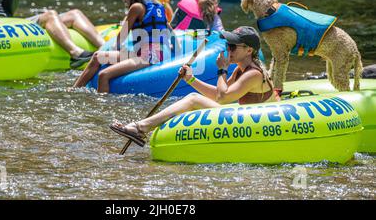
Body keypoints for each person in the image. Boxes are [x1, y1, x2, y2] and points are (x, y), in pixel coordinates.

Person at [110, 26, 280, 147]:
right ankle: (141, 127)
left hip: (258, 124)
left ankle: (140, 127)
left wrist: (222, 69)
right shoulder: (240, 71)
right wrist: (191, 80)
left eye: (233, 46)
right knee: (193, 98)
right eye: (228, 45)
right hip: (246, 118)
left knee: (192, 99)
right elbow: (218, 96)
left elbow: (223, 97)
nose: (229, 49)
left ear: (249, 50)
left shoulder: (254, 74)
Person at [73, 0, 170, 93]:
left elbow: (122, 36)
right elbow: (168, 29)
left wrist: (113, 50)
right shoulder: (157, 6)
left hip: (149, 56)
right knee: (97, 56)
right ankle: (73, 90)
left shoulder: (136, 7)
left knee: (104, 75)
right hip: (145, 53)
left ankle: (102, 106)